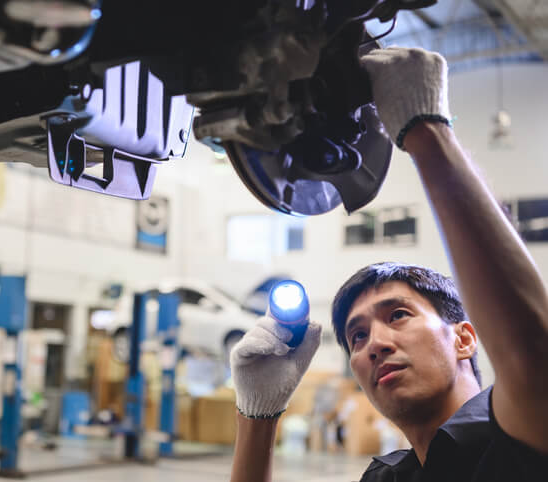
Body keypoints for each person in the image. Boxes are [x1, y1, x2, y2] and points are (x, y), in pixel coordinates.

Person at [229, 47, 548, 482]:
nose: (374, 343)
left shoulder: (520, 439)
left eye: (398, 314)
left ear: (465, 339)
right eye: (357, 337)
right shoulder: (386, 479)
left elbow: (533, 355)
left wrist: (426, 130)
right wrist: (257, 416)